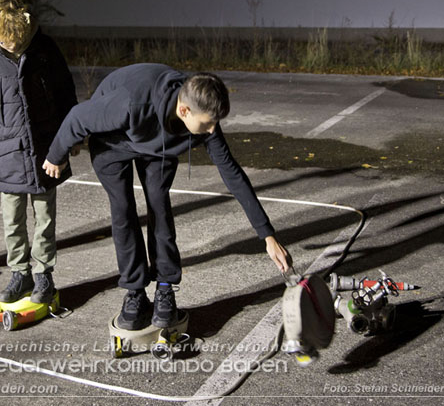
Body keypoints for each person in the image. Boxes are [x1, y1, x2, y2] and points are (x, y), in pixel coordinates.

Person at [43, 63, 291, 330]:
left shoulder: (201, 115)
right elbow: (78, 117)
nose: (211, 131)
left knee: (159, 206)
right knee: (123, 210)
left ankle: (164, 287)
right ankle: (135, 292)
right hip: (113, 142)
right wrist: (56, 156)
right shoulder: (130, 103)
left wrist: (268, 236)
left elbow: (233, 174)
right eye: (207, 124)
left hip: (159, 147)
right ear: (184, 110)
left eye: (214, 124)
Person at [0, 0, 78, 304]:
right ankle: (20, 273)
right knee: (13, 222)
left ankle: (43, 275)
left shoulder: (44, 48)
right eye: (8, 42)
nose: (14, 45)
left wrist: (71, 139)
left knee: (45, 220)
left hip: (46, 151)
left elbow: (66, 94)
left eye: (20, 40)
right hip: (4, 155)